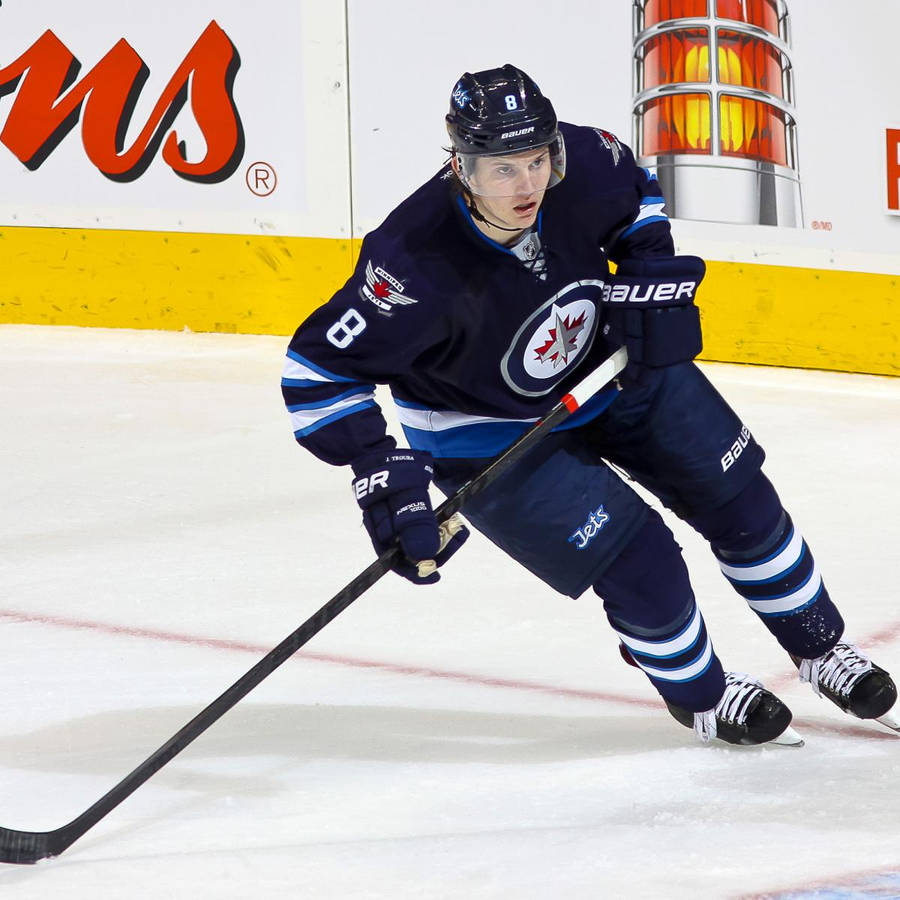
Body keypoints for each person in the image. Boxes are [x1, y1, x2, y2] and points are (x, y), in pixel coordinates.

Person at [281, 64, 897, 746]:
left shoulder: (588, 159)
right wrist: (377, 469)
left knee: (741, 500)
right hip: (481, 429)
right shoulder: (410, 264)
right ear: (461, 166)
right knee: (643, 564)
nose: (528, 185)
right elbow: (316, 374)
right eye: (503, 169)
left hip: (609, 363)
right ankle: (703, 697)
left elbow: (638, 203)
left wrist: (645, 273)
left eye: (538, 161)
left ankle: (818, 648)